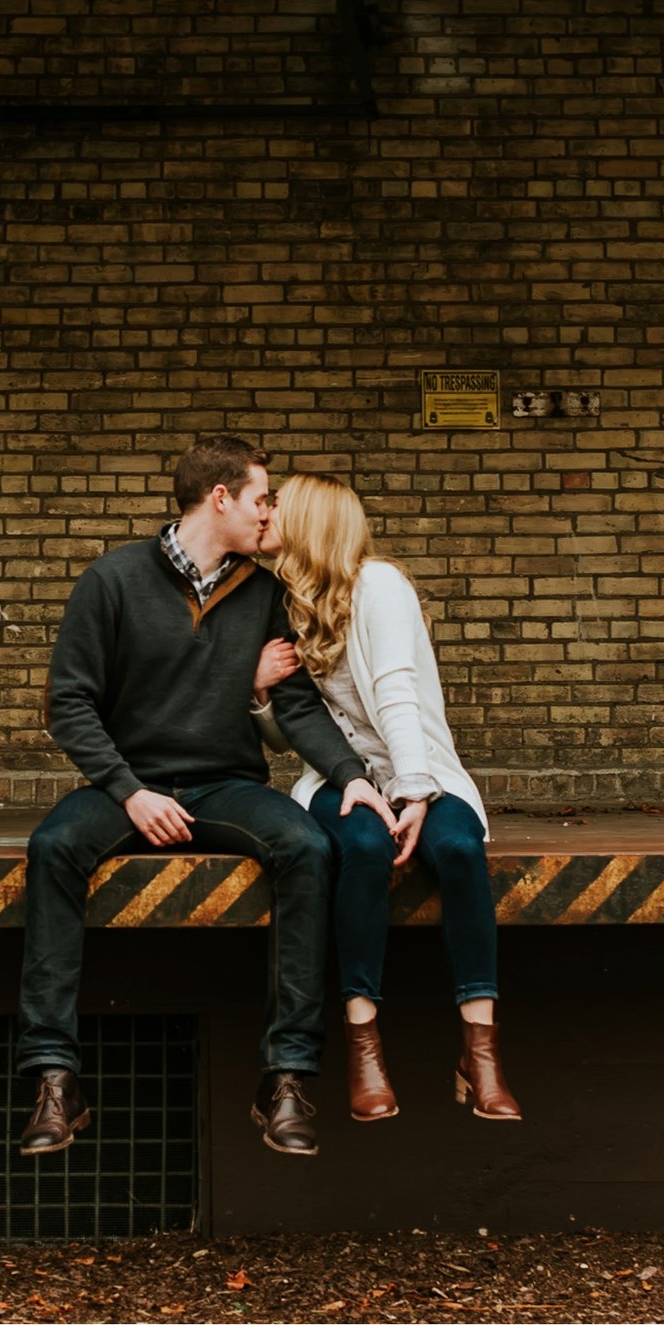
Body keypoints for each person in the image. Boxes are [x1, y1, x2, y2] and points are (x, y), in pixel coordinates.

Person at [19, 436, 395, 1158]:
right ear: (219, 497)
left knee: (308, 847)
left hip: (225, 783)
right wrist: (129, 792)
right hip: (128, 781)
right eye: (261, 497)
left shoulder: (263, 593)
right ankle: (55, 1078)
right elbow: (69, 704)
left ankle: (285, 1075)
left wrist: (353, 778)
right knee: (53, 847)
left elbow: (301, 706)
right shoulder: (113, 579)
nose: (269, 513)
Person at [252, 473, 523, 1123]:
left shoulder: (379, 586)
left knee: (458, 848)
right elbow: (290, 729)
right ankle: (364, 1043)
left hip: (422, 769)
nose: (263, 515)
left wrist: (414, 792)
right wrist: (258, 694)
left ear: (312, 520)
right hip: (339, 779)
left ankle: (480, 1052)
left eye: (275, 506)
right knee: (364, 846)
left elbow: (398, 695)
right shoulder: (284, 599)